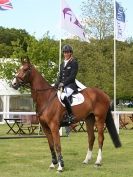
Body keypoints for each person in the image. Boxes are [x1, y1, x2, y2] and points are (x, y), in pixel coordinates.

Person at [55, 44, 78, 124]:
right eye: (64, 52)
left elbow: (72, 77)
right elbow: (60, 77)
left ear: (70, 53)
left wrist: (63, 83)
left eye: (67, 52)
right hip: (63, 85)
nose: (66, 54)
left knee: (63, 96)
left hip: (70, 86)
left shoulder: (74, 63)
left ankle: (71, 115)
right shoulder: (62, 64)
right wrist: (56, 84)